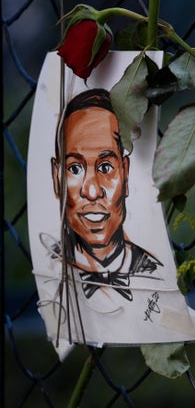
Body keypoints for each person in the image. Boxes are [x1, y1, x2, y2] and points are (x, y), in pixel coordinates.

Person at [44, 88, 162, 303]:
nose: (92, 192)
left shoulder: (157, 275)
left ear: (125, 174)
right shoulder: (46, 269)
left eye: (106, 167)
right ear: (56, 177)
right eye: (75, 169)